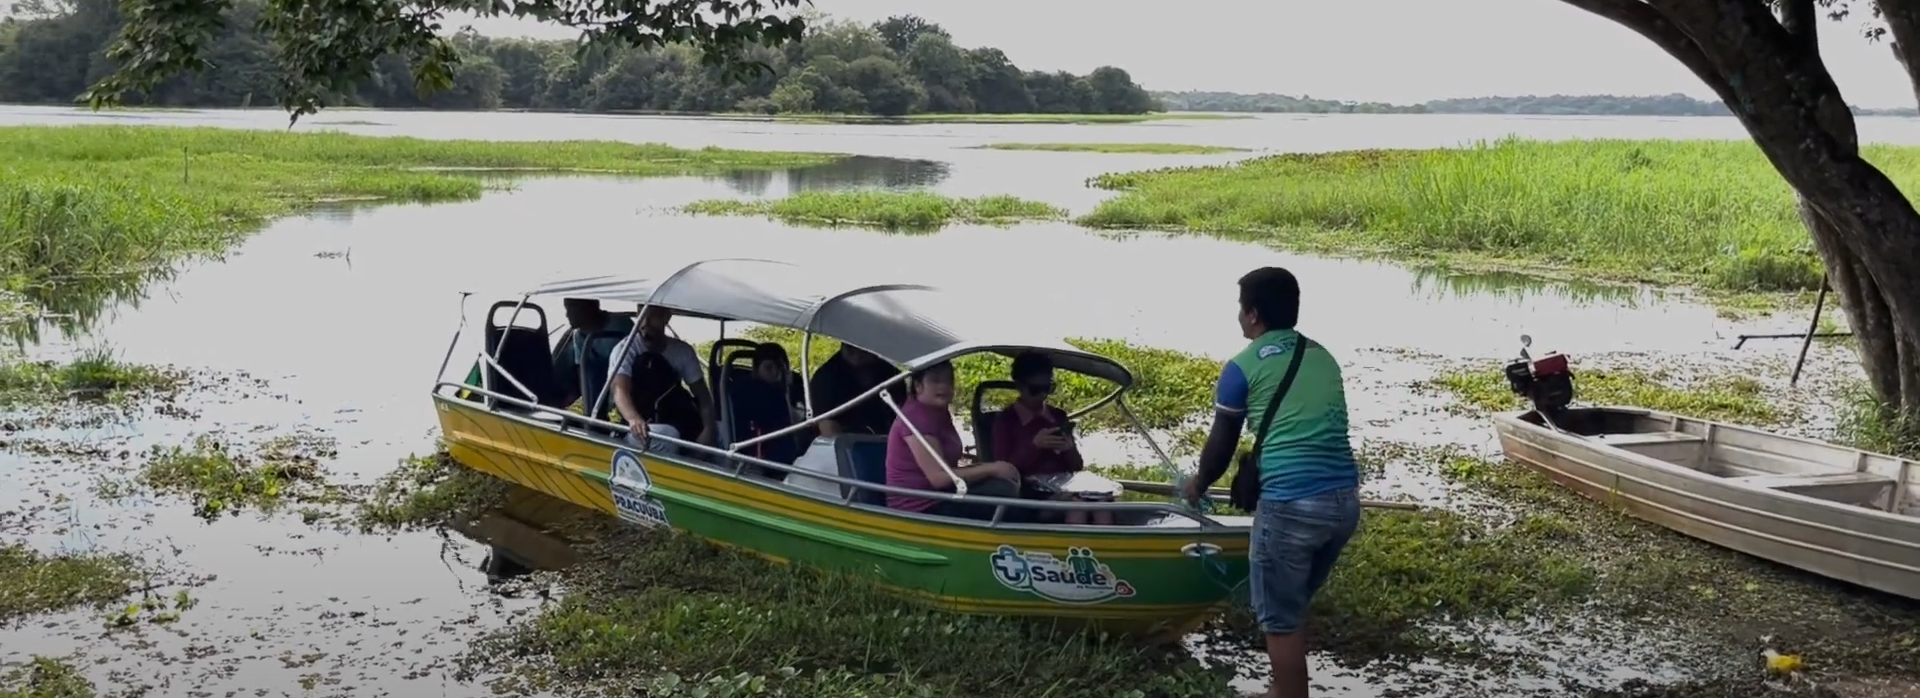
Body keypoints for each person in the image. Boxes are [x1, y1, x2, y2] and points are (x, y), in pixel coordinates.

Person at [1180, 266, 1360, 698]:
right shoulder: (1322, 355)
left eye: (1240, 308)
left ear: (1253, 315)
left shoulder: (1240, 369)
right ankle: (1283, 687)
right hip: (1344, 503)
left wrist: (1198, 484)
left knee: (1280, 618)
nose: (1239, 316)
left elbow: (1221, 445)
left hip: (1291, 506)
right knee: (1292, 603)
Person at [884, 361, 1025, 520]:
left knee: (1004, 486)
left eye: (949, 380)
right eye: (936, 381)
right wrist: (991, 469)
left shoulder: (939, 412)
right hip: (921, 507)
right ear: (918, 386)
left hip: (945, 495)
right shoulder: (916, 416)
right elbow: (938, 478)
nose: (944, 386)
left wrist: (994, 468)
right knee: (1010, 503)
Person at [989, 352, 1112, 525]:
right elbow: (1002, 470)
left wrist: (1069, 449)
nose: (1042, 396)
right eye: (1035, 390)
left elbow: (1076, 466)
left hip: (1065, 486)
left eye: (1047, 389)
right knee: (1077, 507)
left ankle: (1104, 549)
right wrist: (1034, 446)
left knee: (1103, 505)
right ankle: (1074, 549)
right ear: (1020, 386)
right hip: (1029, 495)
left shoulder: (1058, 416)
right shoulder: (1006, 421)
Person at [609, 305, 715, 455]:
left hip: (676, 418)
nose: (646, 323)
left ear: (666, 317)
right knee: (667, 436)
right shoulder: (624, 349)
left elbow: (703, 396)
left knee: (721, 434)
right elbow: (620, 391)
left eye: (653, 316)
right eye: (641, 316)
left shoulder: (682, 351)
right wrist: (634, 419)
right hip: (640, 425)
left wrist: (709, 429)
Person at [552, 298, 634, 420]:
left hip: (625, 381)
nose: (567, 315)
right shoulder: (577, 335)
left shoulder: (622, 325)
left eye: (570, 309)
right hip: (595, 387)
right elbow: (582, 372)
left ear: (588, 308)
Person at [727, 342, 803, 472]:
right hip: (763, 458)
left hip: (786, 452)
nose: (775, 372)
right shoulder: (747, 392)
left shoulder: (792, 386)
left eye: (780, 367)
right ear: (756, 370)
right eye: (769, 368)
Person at [809, 343, 904, 436]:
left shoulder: (892, 374)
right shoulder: (826, 378)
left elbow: (904, 418)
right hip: (843, 446)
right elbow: (829, 432)